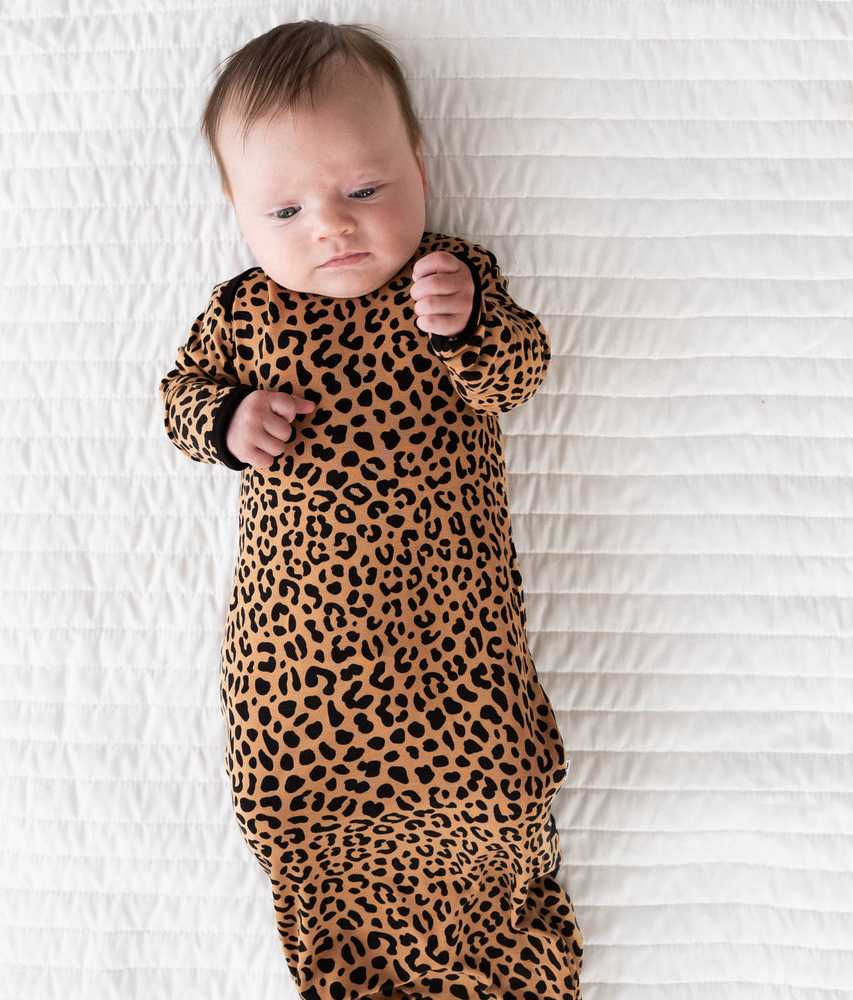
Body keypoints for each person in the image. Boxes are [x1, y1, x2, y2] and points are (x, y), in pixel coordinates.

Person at [160, 20, 582, 1000]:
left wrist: (471, 324)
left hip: (454, 654)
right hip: (297, 668)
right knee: (307, 821)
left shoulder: (446, 278)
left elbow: (518, 371)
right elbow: (180, 401)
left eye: (363, 190)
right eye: (285, 208)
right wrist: (226, 420)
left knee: (492, 798)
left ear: (419, 168)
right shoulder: (245, 312)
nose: (330, 227)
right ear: (237, 212)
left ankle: (507, 964)